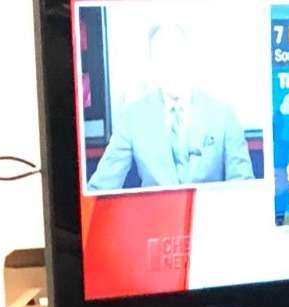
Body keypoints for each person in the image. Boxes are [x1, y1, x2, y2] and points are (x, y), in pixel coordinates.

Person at [88, 23, 254, 191]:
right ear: (152, 66)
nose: (171, 65)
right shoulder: (133, 117)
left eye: (177, 54)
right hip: (156, 208)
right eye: (162, 57)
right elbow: (99, 188)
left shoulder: (223, 113)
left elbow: (243, 185)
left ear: (190, 57)